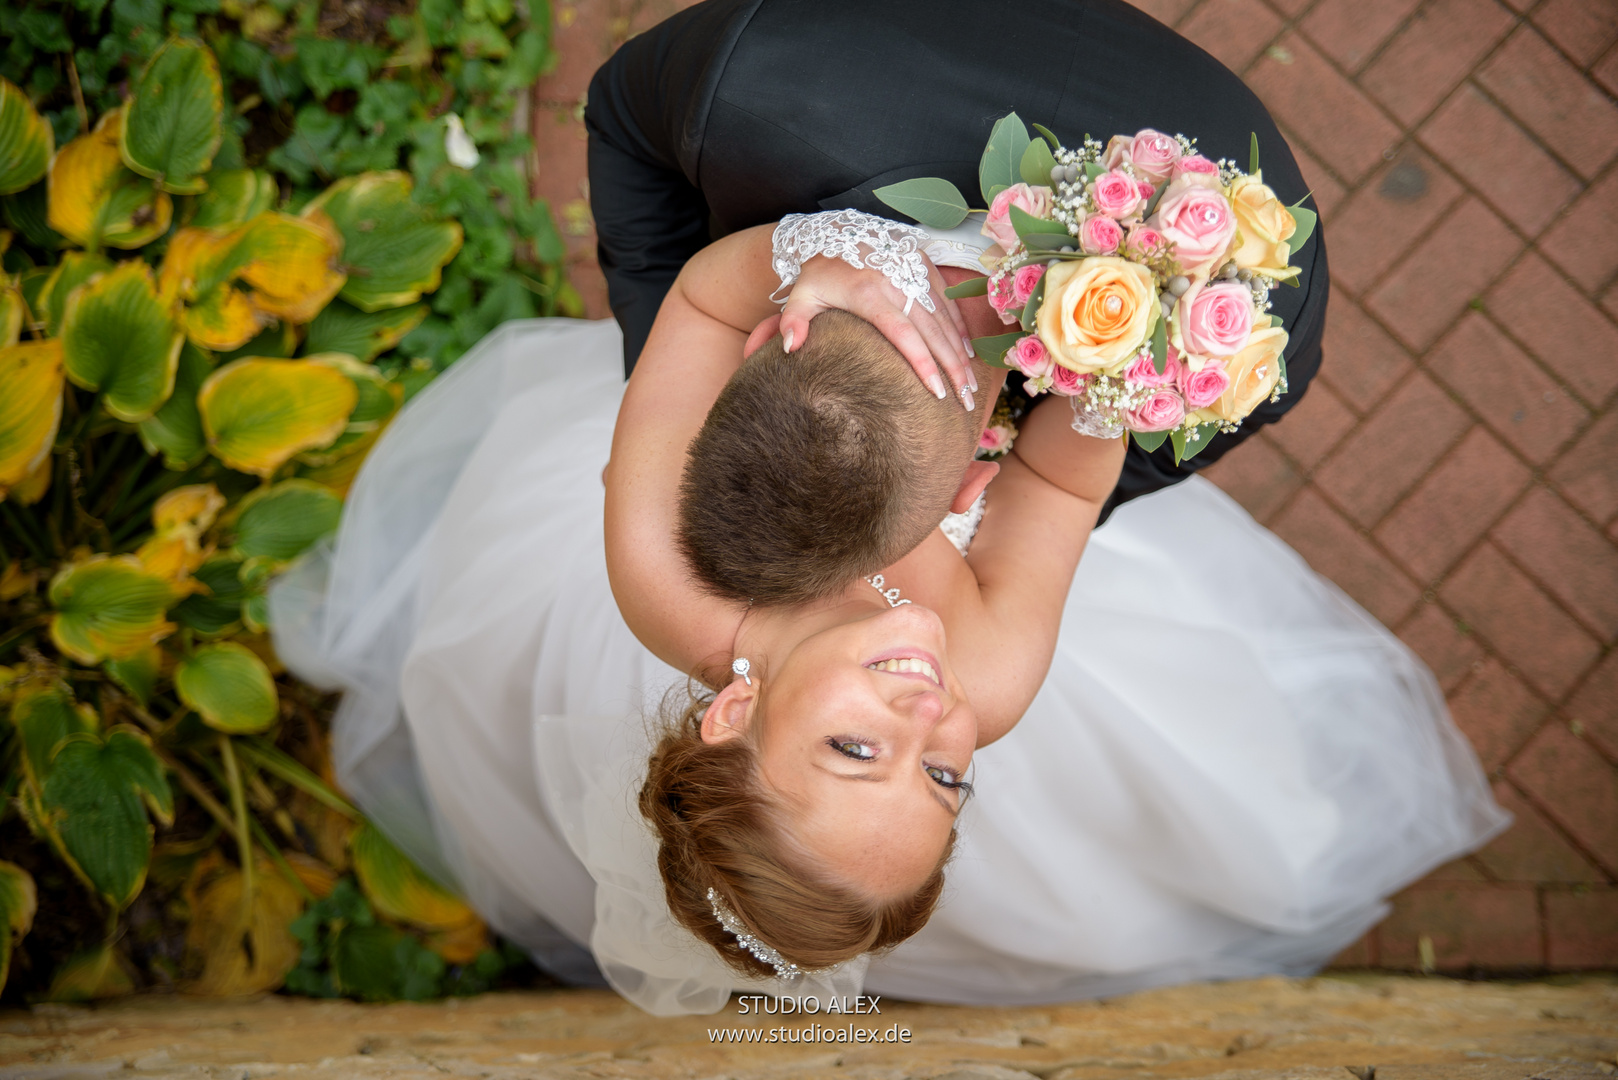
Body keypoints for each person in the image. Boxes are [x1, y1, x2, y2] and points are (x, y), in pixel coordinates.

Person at [269, 210, 1508, 1014]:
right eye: (943, 782)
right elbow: (1067, 482)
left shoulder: (664, 577)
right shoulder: (990, 680)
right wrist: (1123, 327)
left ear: (728, 718)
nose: (929, 720)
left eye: (857, 749)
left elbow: (700, 308)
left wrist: (819, 262)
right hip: (989, 361)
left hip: (802, 346)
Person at [584, 0, 1331, 524]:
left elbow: (621, 112)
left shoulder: (1258, 280)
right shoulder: (739, 82)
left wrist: (669, 365)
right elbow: (619, 112)